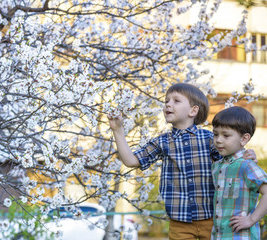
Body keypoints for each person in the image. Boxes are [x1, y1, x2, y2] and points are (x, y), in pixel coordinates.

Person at [108, 83, 256, 239]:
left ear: (193, 110)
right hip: (179, 222)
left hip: (213, 219)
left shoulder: (210, 139)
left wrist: (249, 155)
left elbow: (232, 162)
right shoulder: (162, 142)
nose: (168, 104)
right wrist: (118, 130)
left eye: (176, 101)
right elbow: (132, 160)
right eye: (166, 101)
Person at [211, 106, 267, 239]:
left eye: (226, 135)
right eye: (215, 134)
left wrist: (251, 219)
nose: (218, 140)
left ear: (244, 139)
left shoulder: (246, 165)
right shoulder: (217, 166)